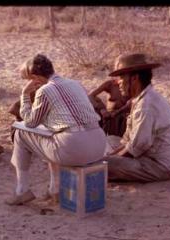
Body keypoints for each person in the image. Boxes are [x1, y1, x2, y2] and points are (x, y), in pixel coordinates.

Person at [8, 54, 106, 205]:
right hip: (99, 145)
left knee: (21, 132)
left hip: (74, 149)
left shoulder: (45, 90)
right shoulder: (76, 83)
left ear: (35, 78)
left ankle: (22, 190)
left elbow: (30, 122)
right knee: (52, 135)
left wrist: (25, 94)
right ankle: (54, 189)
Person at [104, 53, 170, 182]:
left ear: (134, 78)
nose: (118, 83)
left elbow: (135, 148)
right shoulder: (142, 99)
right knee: (109, 140)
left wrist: (109, 160)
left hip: (155, 165)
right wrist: (112, 156)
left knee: (101, 165)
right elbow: (128, 141)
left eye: (121, 77)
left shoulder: (146, 105)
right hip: (144, 157)